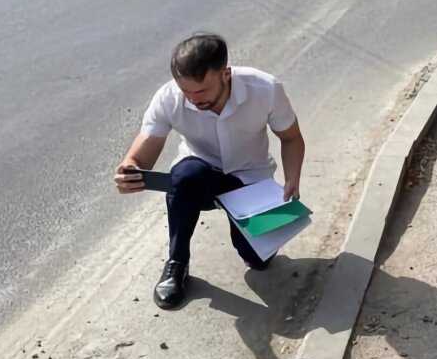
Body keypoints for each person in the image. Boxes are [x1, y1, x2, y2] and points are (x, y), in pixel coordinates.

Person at [114, 33, 305, 309]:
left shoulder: (265, 88)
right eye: (186, 92)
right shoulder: (169, 97)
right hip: (200, 174)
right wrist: (130, 167)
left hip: (250, 179)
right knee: (183, 178)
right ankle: (177, 264)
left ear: (225, 74)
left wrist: (292, 179)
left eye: (201, 91)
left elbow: (291, 137)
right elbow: (147, 146)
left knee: (258, 261)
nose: (193, 100)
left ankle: (250, 235)